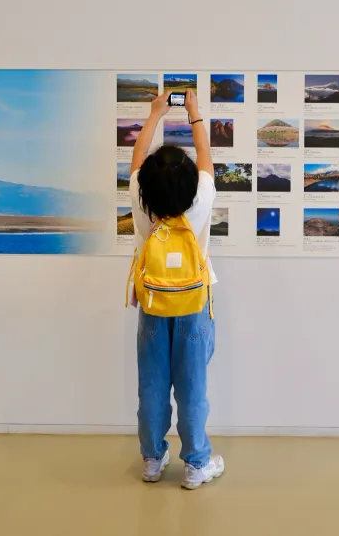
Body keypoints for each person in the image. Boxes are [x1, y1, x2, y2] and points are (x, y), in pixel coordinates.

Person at [128, 88, 224, 490]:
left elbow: (137, 159)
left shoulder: (141, 199)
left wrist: (155, 113)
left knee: (152, 385)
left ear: (147, 183)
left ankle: (152, 460)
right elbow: (205, 155)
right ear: (189, 181)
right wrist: (194, 113)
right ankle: (196, 464)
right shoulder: (200, 199)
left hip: (152, 301)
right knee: (192, 387)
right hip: (193, 302)